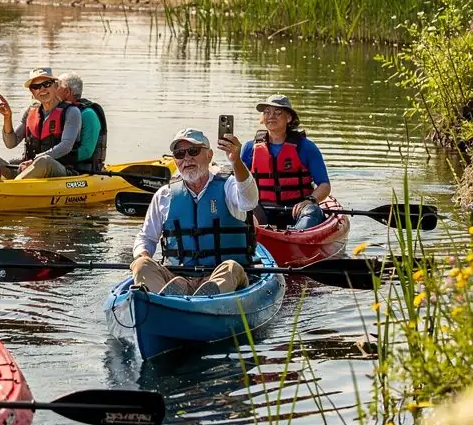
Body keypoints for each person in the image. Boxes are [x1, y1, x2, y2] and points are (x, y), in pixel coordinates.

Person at [131, 127, 259, 296]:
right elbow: (146, 237)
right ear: (175, 161)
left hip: (222, 276)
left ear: (209, 155)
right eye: (180, 154)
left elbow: (250, 201)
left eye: (193, 151)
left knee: (232, 267)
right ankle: (168, 298)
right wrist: (143, 254)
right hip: (177, 276)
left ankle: (202, 297)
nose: (187, 158)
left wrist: (236, 161)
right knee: (141, 266)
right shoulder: (164, 195)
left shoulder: (228, 186)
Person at [0, 67, 82, 181]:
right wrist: (8, 118)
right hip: (26, 170)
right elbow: (10, 143)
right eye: (36, 87)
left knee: (44, 161)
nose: (42, 89)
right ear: (32, 92)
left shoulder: (71, 112)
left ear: (55, 86)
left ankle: (13, 187)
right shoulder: (30, 112)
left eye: (46, 84)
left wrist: (35, 161)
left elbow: (66, 146)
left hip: (59, 171)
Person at [240, 95, 331, 231]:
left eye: (278, 112)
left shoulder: (306, 147)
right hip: (261, 210)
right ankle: (256, 234)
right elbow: (238, 183)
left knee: (312, 211)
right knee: (242, 210)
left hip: (298, 209)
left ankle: (295, 235)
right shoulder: (249, 148)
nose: (271, 116)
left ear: (288, 118)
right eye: (267, 112)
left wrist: (310, 201)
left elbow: (324, 185)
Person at [57, 72, 108, 173]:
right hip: (62, 165)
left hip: (84, 171)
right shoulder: (59, 112)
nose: (53, 89)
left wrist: (54, 158)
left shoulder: (88, 114)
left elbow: (86, 151)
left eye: (57, 86)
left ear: (67, 92)